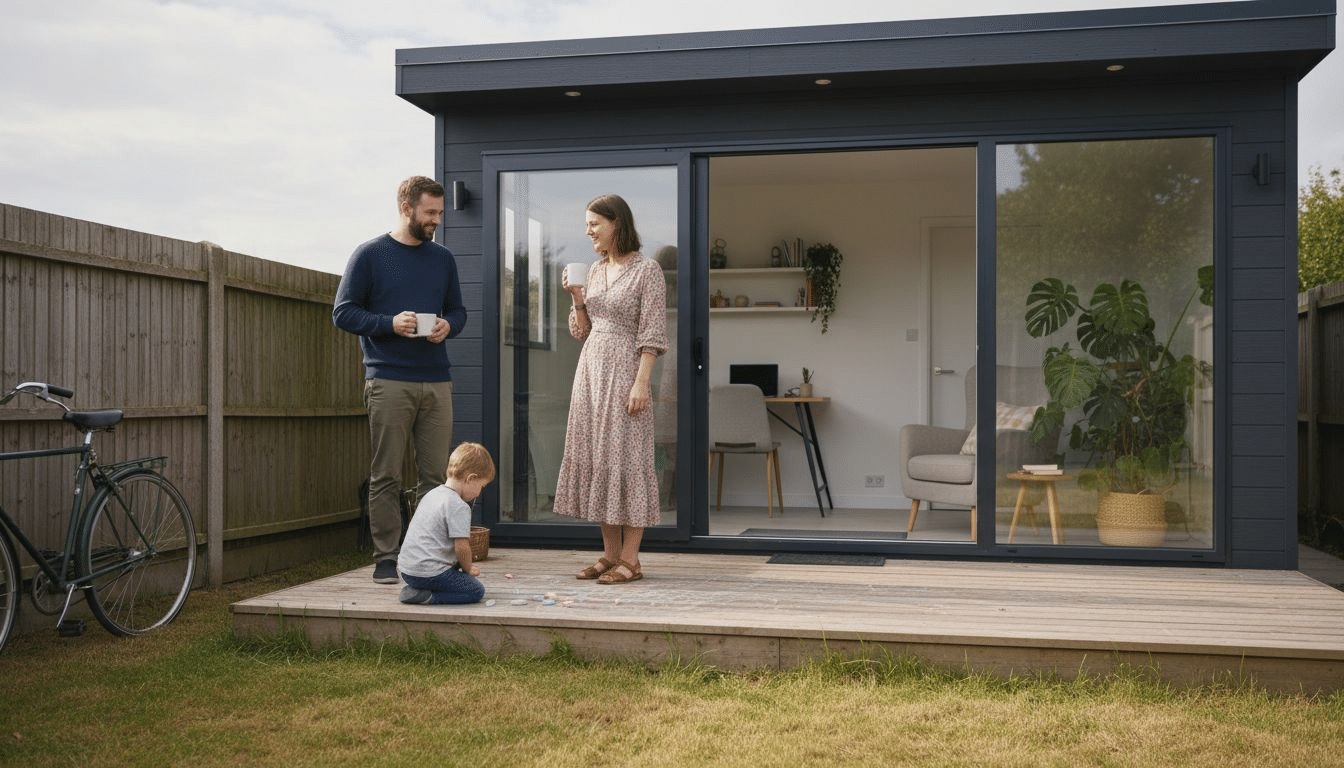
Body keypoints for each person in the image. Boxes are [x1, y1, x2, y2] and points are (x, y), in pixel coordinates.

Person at [333, 176, 468, 584]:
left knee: (435, 479)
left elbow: (459, 311)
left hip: (436, 380)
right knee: (387, 475)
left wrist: (449, 325)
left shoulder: (442, 259)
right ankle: (387, 558)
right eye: (430, 213)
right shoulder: (370, 255)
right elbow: (343, 313)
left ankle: (425, 555)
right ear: (407, 207)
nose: (436, 221)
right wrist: (389, 323)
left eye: (440, 213)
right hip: (388, 379)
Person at [554, 194, 668, 584]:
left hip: (626, 372)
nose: (588, 232)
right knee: (601, 456)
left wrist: (642, 382)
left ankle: (631, 560)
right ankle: (609, 554)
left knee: (628, 458)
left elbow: (652, 332)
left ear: (615, 222)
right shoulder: (596, 271)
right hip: (591, 371)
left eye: (593, 224)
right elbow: (579, 331)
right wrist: (577, 298)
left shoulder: (647, 270)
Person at [396, 442, 495, 605]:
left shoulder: (432, 494)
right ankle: (427, 597)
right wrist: (468, 568)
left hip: (407, 571)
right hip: (429, 573)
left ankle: (416, 590)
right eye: (481, 486)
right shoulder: (459, 506)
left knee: (454, 574)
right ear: (471, 479)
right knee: (476, 590)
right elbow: (461, 547)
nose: (480, 492)